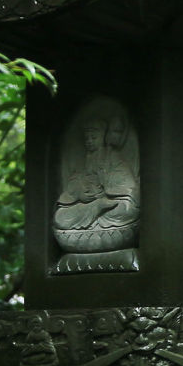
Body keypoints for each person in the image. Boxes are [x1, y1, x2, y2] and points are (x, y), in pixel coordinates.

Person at [52, 103, 139, 255]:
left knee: (126, 210)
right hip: (87, 205)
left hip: (111, 204)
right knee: (60, 218)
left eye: (94, 137)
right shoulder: (84, 161)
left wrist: (107, 185)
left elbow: (129, 186)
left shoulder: (113, 158)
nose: (89, 141)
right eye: (87, 138)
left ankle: (99, 212)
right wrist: (80, 193)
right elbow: (74, 182)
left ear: (103, 137)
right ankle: (97, 211)